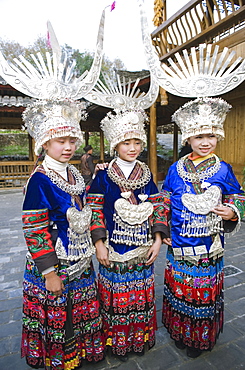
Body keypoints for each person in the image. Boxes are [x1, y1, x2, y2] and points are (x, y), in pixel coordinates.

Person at [21, 100, 105, 369]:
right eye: (60, 141)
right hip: (55, 262)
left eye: (72, 140)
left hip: (79, 257)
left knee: (79, 310)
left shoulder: (71, 172)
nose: (68, 147)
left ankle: (79, 353)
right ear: (45, 143)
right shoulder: (40, 179)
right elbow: (34, 228)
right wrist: (49, 272)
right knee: (60, 313)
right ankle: (60, 359)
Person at [161, 97, 245, 358]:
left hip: (208, 247)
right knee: (179, 291)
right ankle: (179, 332)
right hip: (178, 243)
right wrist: (161, 229)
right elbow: (163, 200)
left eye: (210, 135)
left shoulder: (223, 169)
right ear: (188, 139)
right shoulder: (175, 169)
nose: (205, 142)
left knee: (202, 296)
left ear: (218, 136)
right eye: (198, 137)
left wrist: (232, 211)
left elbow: (239, 196)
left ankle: (199, 339)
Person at [86, 109, 167, 361]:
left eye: (136, 142)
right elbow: (95, 209)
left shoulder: (146, 173)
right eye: (126, 142)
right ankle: (117, 341)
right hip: (114, 248)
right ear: (115, 145)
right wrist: (99, 244)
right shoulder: (102, 174)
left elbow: (158, 205)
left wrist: (157, 240)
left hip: (143, 247)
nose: (132, 148)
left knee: (141, 295)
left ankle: (139, 338)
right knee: (116, 297)